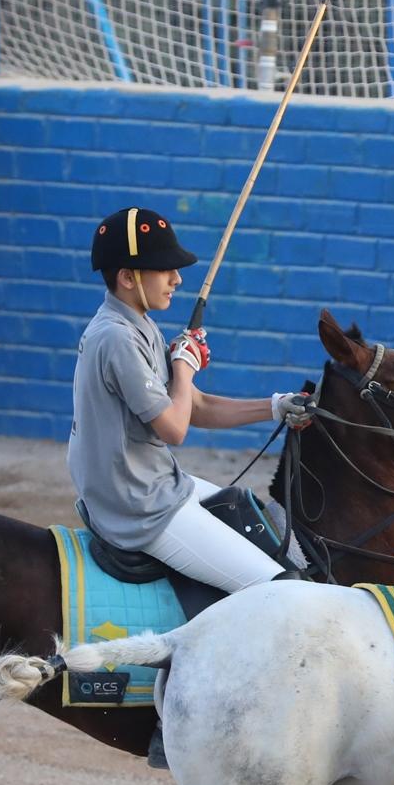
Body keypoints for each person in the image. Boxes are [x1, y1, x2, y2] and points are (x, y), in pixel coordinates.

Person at [70, 205, 315, 592]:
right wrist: (183, 368)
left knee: (252, 515)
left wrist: (275, 406)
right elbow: (174, 428)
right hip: (138, 505)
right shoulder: (116, 337)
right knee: (281, 587)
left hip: (158, 483)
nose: (177, 279)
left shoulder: (139, 325)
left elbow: (194, 407)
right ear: (127, 277)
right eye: (164, 269)